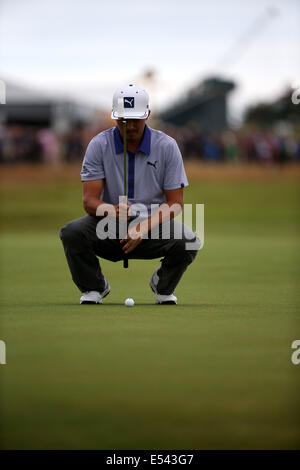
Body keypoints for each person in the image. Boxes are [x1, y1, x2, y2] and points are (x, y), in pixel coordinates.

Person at [59, 84, 200, 305]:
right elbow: (89, 201)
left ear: (148, 115)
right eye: (124, 120)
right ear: (114, 117)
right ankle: (94, 287)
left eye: (136, 119)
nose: (130, 126)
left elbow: (175, 203)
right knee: (71, 232)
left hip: (153, 224)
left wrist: (142, 227)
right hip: (109, 222)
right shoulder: (99, 145)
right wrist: (111, 210)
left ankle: (163, 287)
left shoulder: (167, 146)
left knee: (189, 239)